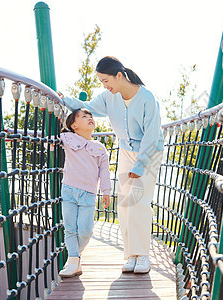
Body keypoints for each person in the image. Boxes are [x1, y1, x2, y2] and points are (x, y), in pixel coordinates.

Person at [60, 56, 164, 274]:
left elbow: (152, 135)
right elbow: (86, 107)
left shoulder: (146, 98)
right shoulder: (109, 97)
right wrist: (64, 98)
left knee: (139, 202)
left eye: (106, 81)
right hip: (126, 152)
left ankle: (143, 255)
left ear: (119, 75)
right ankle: (132, 255)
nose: (104, 86)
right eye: (101, 82)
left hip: (149, 153)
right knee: (125, 204)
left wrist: (140, 164)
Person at [59, 108, 111, 278]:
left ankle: (74, 256)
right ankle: (74, 261)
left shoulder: (100, 148)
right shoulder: (68, 139)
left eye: (91, 116)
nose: (89, 118)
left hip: (88, 194)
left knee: (86, 231)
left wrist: (106, 191)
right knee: (70, 228)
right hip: (68, 190)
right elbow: (50, 142)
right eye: (84, 116)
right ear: (74, 125)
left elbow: (104, 172)